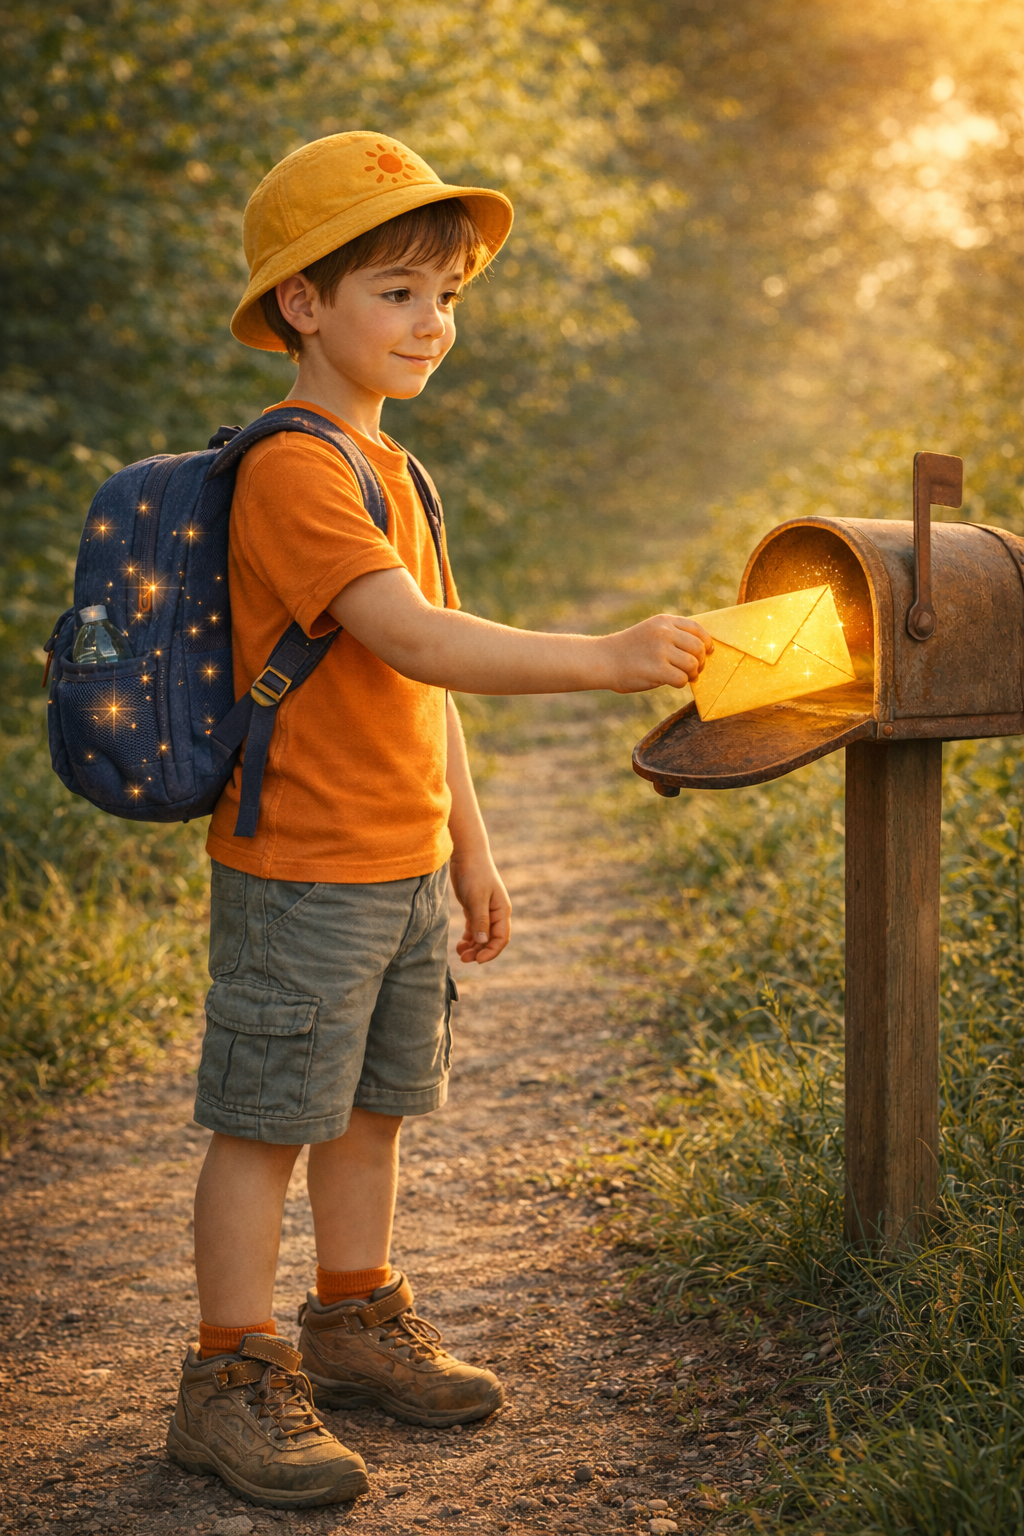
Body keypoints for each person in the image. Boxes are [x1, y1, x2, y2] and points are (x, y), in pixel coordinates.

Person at [166, 130, 712, 1510]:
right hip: (302, 866)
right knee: (267, 1123)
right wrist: (607, 655)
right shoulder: (297, 469)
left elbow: (420, 691)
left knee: (372, 1112)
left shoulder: (394, 469)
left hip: (399, 863)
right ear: (305, 303)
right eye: (398, 292)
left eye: (448, 293)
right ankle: (228, 1377)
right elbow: (414, 635)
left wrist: (468, 846)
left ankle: (351, 1323)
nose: (434, 323)